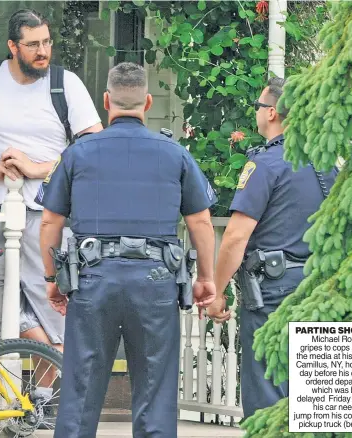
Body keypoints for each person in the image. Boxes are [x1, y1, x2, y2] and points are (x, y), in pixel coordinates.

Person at [36, 62, 217, 438]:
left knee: (81, 387)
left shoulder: (77, 153)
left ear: (106, 101)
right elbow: (200, 222)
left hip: (93, 280)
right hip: (155, 282)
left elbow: (50, 221)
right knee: (155, 387)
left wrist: (52, 279)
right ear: (148, 102)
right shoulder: (174, 153)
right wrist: (206, 279)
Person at [0, 8, 102, 406]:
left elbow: (91, 144)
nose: (43, 52)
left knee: (49, 300)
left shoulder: (64, 85)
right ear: (12, 46)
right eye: (33, 44)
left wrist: (36, 168)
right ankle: (15, 395)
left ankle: (45, 395)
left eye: (47, 42)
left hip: (49, 214)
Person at [207, 77, 338, 418]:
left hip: (273, 292)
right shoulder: (327, 164)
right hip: (319, 288)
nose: (256, 113)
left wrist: (217, 291)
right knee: (316, 396)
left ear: (272, 113)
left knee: (268, 390)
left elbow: (236, 236)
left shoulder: (265, 164)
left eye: (258, 107)